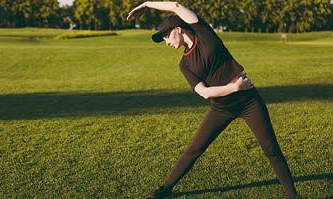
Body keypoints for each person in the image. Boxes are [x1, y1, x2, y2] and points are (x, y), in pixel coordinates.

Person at [127, 2, 302, 199]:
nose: (166, 42)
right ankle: (164, 190)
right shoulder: (184, 64)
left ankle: (293, 196)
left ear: (178, 28)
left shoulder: (204, 34)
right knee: (194, 149)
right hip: (221, 107)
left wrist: (147, 3)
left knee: (271, 148)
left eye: (166, 36)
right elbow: (204, 92)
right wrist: (234, 87)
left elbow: (176, 6)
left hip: (248, 102)